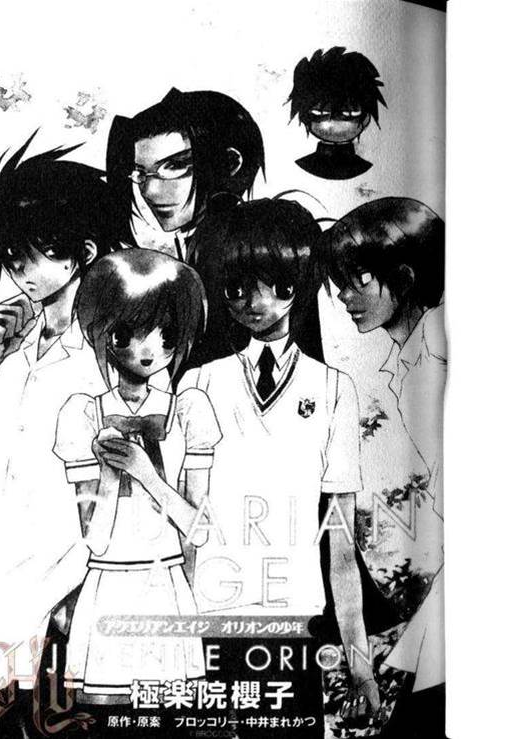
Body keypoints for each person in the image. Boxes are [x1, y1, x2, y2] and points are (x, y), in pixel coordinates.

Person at [182, 197, 381, 736]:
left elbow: (341, 546)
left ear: (303, 285)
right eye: (237, 289)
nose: (256, 303)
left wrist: (360, 666)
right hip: (207, 620)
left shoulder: (334, 389)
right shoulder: (199, 384)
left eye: (279, 286)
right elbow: (185, 522)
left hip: (294, 623)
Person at [0, 132, 115, 732]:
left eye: (32, 254)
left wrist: (81, 592)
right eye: (11, 255)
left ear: (82, 251)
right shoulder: (7, 351)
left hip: (64, 599)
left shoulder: (110, 358)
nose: (18, 270)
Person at [52, 249, 218, 707]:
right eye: (126, 333)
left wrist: (144, 472)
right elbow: (94, 538)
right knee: (107, 718)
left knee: (168, 716)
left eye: (165, 334)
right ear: (103, 333)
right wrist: (111, 474)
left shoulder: (191, 411)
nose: (146, 349)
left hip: (166, 584)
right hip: (109, 587)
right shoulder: (82, 414)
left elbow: (200, 528)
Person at [321, 197, 447, 737]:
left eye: (359, 281)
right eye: (340, 283)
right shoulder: (403, 361)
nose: (344, 296)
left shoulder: (436, 357)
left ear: (406, 278)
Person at [106, 88, 265, 258]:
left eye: (174, 166)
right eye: (140, 171)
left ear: (229, 163)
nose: (150, 191)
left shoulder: (258, 248)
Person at [287, 47, 386, 180]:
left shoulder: (366, 168)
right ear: (305, 117)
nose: (333, 122)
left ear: (366, 118)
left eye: (348, 114)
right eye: (321, 113)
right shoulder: (302, 166)